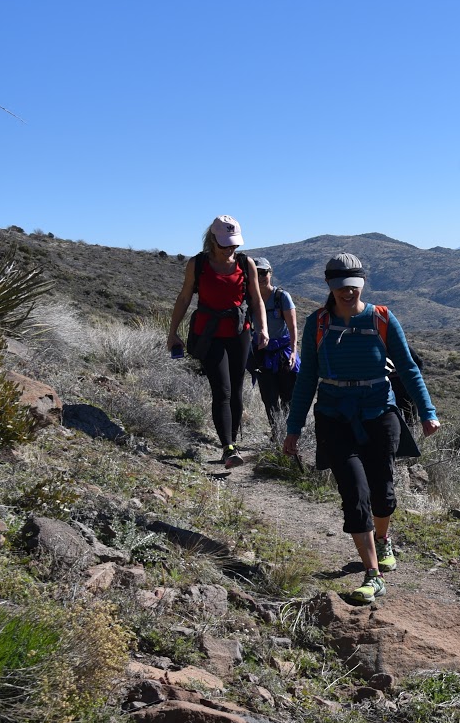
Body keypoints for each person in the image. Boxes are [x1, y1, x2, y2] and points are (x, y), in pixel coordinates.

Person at [282, 253, 439, 604]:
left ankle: (382, 541)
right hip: (334, 416)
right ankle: (373, 574)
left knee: (383, 493)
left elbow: (408, 368)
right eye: (340, 287)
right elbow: (306, 379)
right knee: (355, 493)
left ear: (362, 283)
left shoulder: (382, 318)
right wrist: (293, 428)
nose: (347, 293)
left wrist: (428, 411)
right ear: (329, 286)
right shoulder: (318, 323)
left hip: (379, 413)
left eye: (352, 286)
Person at [168, 216, 269, 468]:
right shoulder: (198, 264)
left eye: (233, 244)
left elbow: (256, 300)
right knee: (221, 390)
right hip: (209, 333)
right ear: (212, 240)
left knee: (236, 390)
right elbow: (183, 298)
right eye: (225, 245)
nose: (230, 249)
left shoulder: (246, 264)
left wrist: (263, 329)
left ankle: (231, 442)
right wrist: (172, 332)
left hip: (239, 332)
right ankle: (228, 447)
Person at [246, 257, 299, 441]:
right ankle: (277, 433)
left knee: (288, 397)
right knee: (269, 398)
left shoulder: (281, 297)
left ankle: (288, 433)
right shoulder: (249, 299)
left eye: (264, 273)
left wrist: (293, 351)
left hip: (283, 354)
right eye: (257, 273)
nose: (261, 277)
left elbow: (292, 327)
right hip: (261, 354)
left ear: (270, 273)